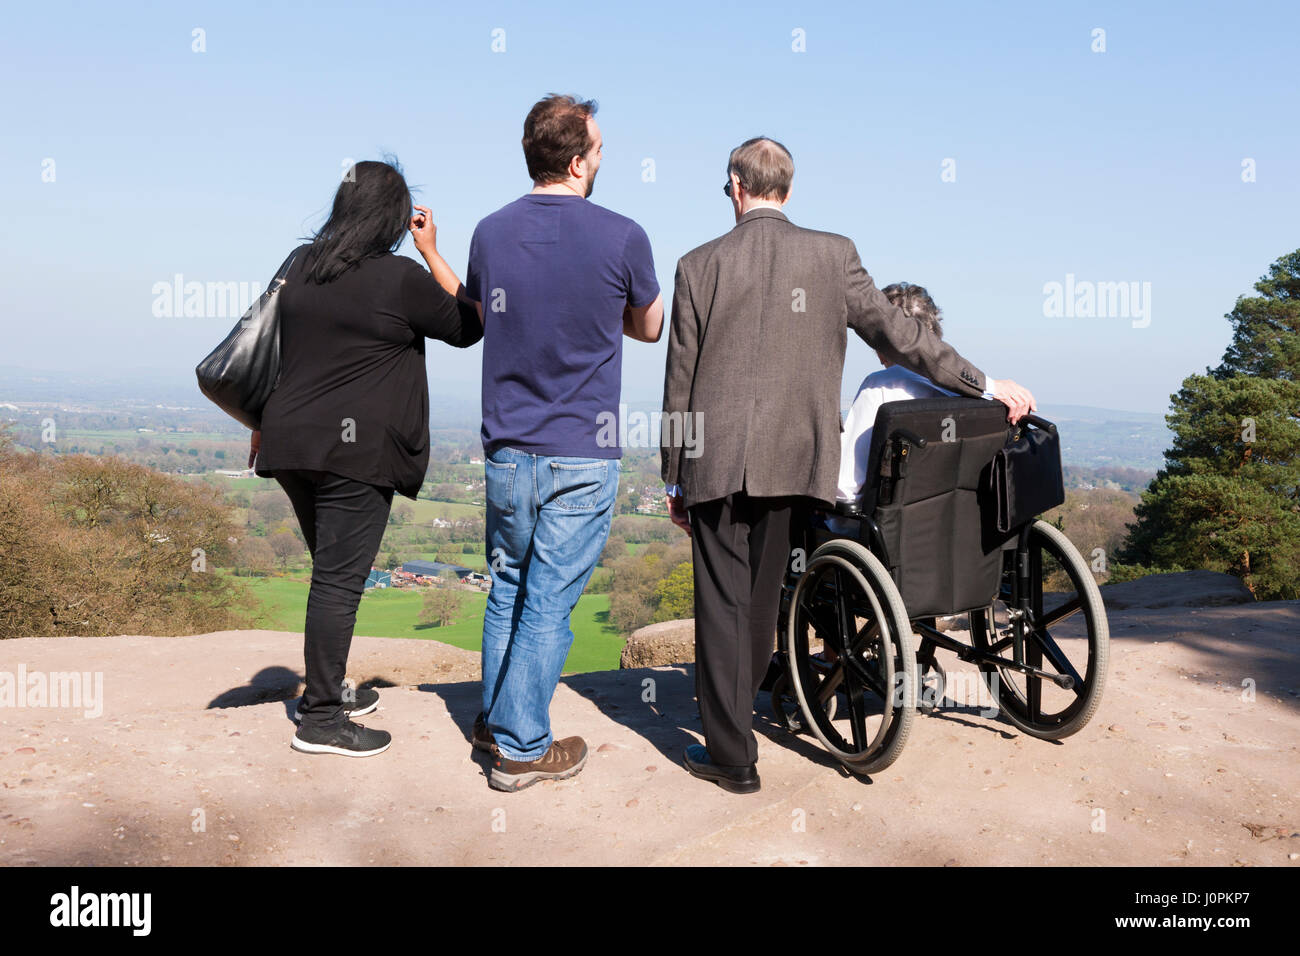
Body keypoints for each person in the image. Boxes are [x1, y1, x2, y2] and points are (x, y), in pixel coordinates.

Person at [661, 137, 1035, 793]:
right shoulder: (834, 255)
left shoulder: (697, 265)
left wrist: (674, 473)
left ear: (736, 185)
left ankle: (732, 755)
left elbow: (681, 381)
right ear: (789, 189)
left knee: (722, 601)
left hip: (715, 459)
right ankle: (736, 725)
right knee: (755, 600)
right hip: (796, 459)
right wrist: (982, 383)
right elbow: (901, 335)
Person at [461, 95, 664, 791]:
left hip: (508, 449)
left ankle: (492, 720)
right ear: (577, 161)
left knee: (507, 590)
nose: (602, 159)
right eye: (600, 150)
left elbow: (478, 315)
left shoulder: (489, 233)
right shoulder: (624, 235)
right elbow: (649, 326)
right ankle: (521, 748)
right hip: (582, 448)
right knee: (547, 603)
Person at [252, 158, 482, 757]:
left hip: (289, 440)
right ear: (395, 218)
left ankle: (328, 693)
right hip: (351, 452)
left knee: (333, 574)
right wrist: (431, 250)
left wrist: (258, 425)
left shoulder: (301, 265)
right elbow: (471, 323)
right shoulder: (399, 277)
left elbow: (270, 347)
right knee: (338, 582)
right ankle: (322, 719)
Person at [827, 281, 955, 533]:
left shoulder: (880, 387)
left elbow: (845, 487)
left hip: (884, 536)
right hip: (946, 530)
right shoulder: (960, 388)